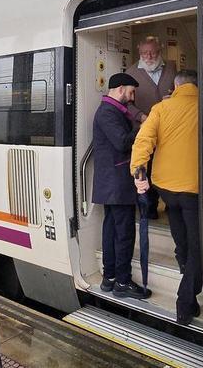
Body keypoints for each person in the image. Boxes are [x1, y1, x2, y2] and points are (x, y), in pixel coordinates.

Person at [131, 70, 200, 325]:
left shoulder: (161, 108)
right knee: (197, 246)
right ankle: (185, 300)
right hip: (194, 189)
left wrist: (139, 173)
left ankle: (186, 273)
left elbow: (143, 141)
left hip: (166, 189)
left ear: (176, 85)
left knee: (181, 236)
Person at [91, 73, 152, 300]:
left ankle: (110, 279)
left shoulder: (111, 111)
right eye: (131, 91)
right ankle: (122, 282)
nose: (132, 96)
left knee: (111, 230)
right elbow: (122, 142)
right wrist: (144, 126)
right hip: (117, 182)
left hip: (112, 183)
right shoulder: (108, 112)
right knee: (123, 233)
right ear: (119, 89)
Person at [126, 36, 177, 220]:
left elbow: (180, 91)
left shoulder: (171, 67)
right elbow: (126, 104)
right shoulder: (131, 72)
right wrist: (142, 116)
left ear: (160, 49)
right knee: (145, 168)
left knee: (170, 168)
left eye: (152, 52)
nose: (148, 56)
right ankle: (149, 210)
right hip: (145, 130)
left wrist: (174, 98)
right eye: (144, 53)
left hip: (170, 130)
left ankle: (173, 206)